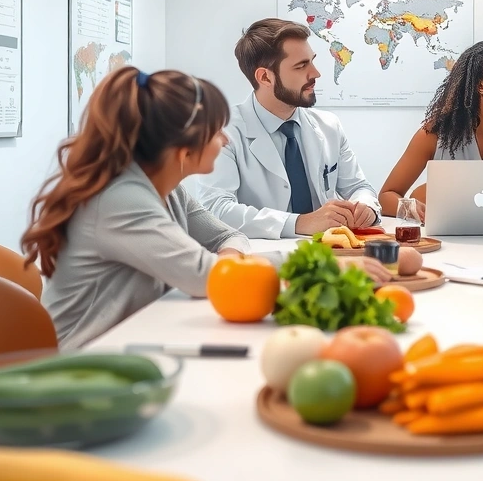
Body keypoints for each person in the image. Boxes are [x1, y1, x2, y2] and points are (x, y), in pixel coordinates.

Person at [23, 67, 390, 349]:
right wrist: (330, 260)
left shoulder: (165, 189)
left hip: (137, 338)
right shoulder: (121, 199)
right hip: (89, 360)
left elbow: (226, 236)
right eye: (215, 132)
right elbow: (204, 277)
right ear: (184, 151)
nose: (226, 139)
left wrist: (230, 260)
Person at [198, 19, 381, 238]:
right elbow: (216, 209)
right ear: (265, 77)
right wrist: (299, 223)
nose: (316, 73)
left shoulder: (329, 126)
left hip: (331, 254)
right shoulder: (222, 131)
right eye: (301, 66)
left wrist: (366, 208)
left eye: (312, 61)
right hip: (261, 260)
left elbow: (358, 186)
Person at [379, 40, 483, 220]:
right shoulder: (436, 131)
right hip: (448, 244)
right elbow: (386, 196)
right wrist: (410, 209)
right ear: (480, 86)